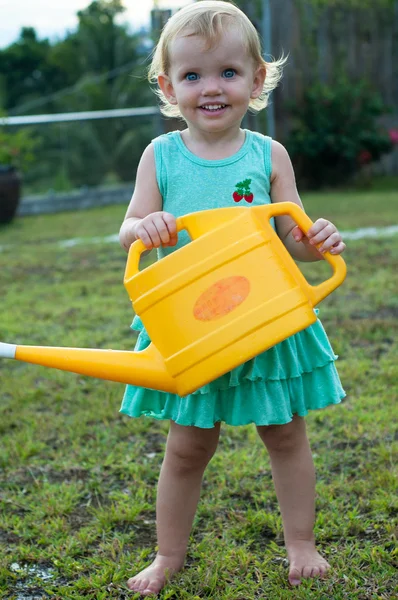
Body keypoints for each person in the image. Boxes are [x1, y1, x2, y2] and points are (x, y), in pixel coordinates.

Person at [119, 1, 346, 596]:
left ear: (257, 79)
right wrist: (145, 227)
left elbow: (292, 239)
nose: (210, 88)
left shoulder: (267, 156)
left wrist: (316, 240)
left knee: (286, 433)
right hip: (193, 325)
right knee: (189, 444)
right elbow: (130, 226)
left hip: (265, 319)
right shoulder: (160, 156)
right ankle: (168, 554)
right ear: (169, 86)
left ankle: (301, 542)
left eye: (227, 72)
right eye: (192, 76)